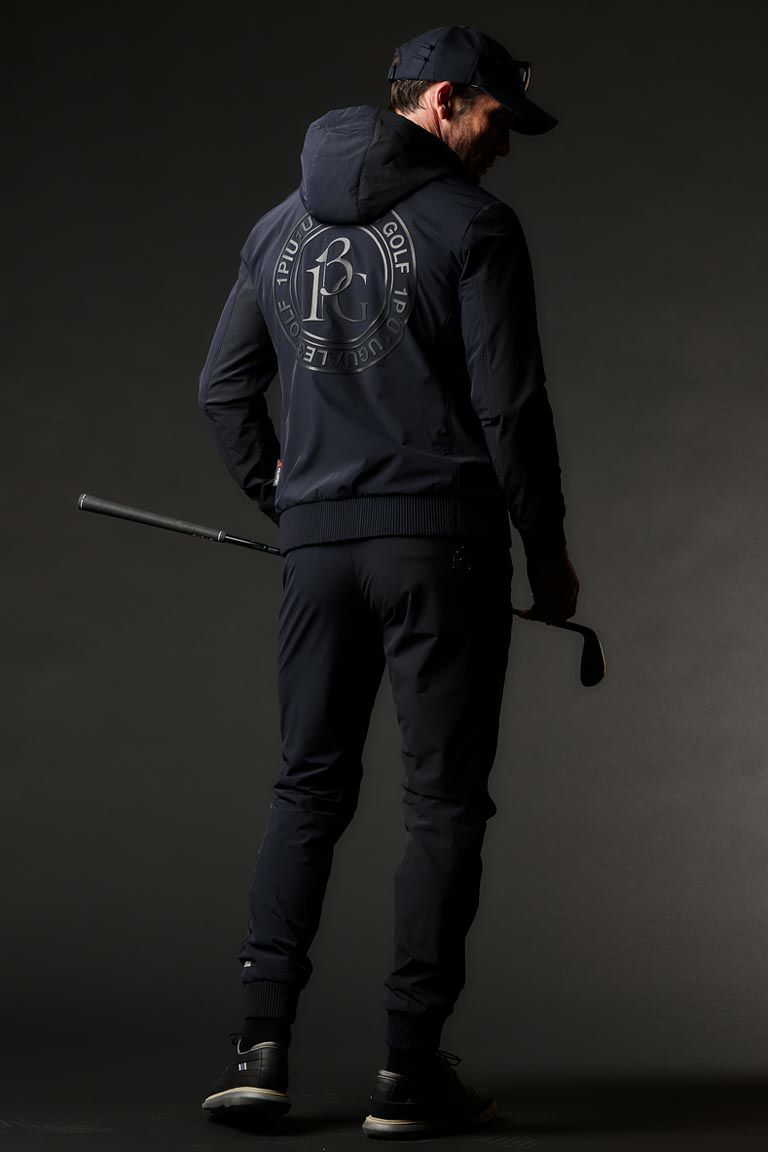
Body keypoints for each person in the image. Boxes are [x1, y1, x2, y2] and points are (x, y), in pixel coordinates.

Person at [197, 23, 579, 1139]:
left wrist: (294, 505)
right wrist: (547, 550)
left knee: (307, 787)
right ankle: (409, 1068)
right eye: (497, 119)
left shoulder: (278, 227)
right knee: (443, 801)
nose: (503, 144)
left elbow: (223, 392)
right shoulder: (476, 225)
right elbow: (512, 408)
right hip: (442, 549)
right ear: (446, 100)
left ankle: (259, 1055)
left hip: (318, 554)